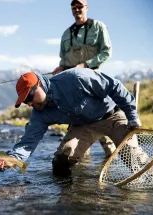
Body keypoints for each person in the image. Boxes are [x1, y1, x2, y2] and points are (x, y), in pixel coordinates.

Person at [0, 69, 141, 177]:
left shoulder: (76, 78)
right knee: (61, 162)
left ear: (39, 85)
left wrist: (132, 116)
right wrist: (10, 161)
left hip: (112, 116)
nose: (28, 104)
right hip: (83, 126)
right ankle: (69, 200)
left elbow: (114, 86)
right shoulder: (39, 114)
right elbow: (28, 143)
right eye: (24, 101)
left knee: (134, 159)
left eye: (29, 97)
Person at [52, 0, 114, 156]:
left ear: (86, 8)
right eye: (74, 7)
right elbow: (63, 58)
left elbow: (106, 52)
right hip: (73, 84)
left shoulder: (98, 26)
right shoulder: (66, 33)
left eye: (80, 6)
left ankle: (110, 156)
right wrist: (61, 68)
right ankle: (81, 158)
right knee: (78, 119)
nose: (77, 9)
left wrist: (86, 65)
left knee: (101, 116)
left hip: (94, 80)